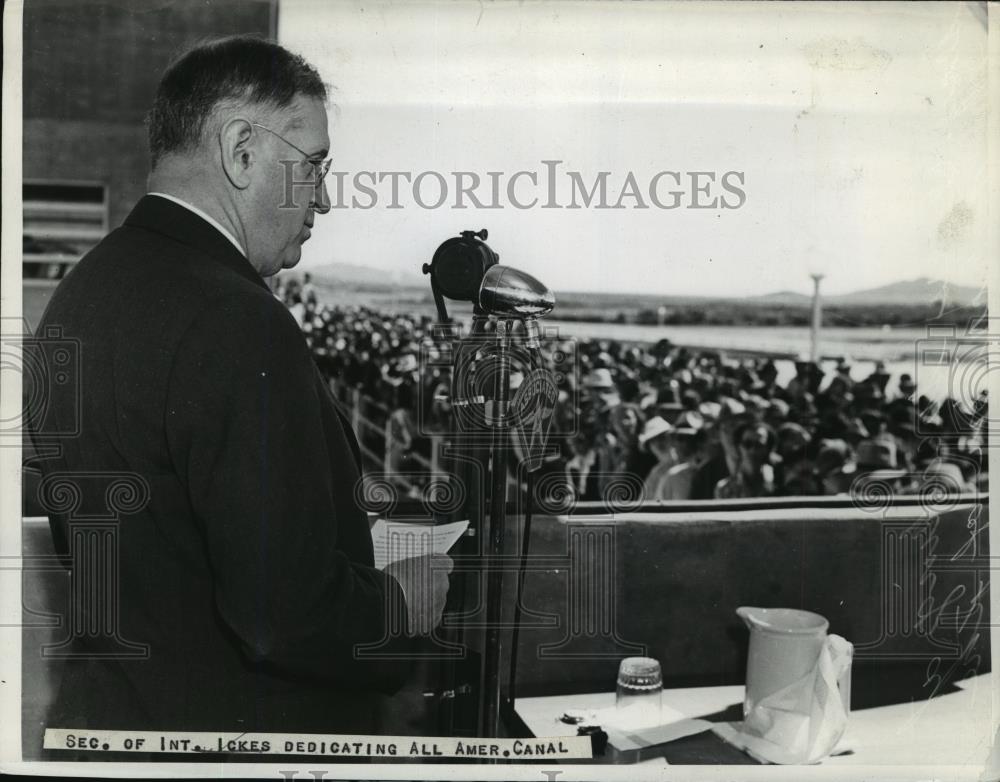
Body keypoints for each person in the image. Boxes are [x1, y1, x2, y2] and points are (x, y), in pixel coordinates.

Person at [26, 37, 450, 737]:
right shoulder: (238, 319)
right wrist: (404, 599)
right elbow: (283, 615)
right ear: (242, 151)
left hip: (115, 725)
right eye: (313, 166)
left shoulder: (81, 291)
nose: (327, 199)